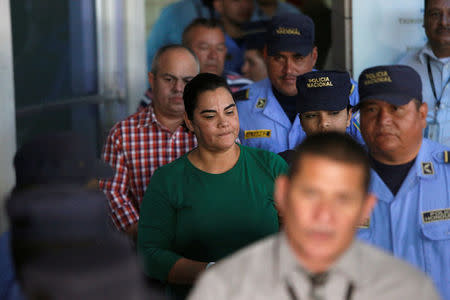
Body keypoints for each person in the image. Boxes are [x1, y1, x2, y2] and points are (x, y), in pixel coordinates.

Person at [187, 132, 441, 300]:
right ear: (283, 195)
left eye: (343, 199)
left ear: (365, 207)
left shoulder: (408, 289)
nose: (324, 215)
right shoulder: (225, 288)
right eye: (310, 194)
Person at [137, 73, 288, 299]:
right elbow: (149, 255)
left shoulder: (271, 166)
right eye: (210, 116)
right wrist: (210, 271)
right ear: (189, 121)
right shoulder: (168, 180)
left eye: (230, 111)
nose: (224, 122)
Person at [6, 132, 164, 300]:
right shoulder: (109, 250)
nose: (98, 185)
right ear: (67, 190)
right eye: (92, 178)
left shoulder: (12, 245)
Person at [355, 65, 449, 300]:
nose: (383, 120)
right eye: (372, 109)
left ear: (422, 114)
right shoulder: (340, 181)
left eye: (396, 109)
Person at [100, 45, 199, 239]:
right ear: (152, 80)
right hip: (143, 249)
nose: (178, 88)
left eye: (187, 81)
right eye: (169, 79)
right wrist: (147, 236)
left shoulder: (216, 128)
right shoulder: (122, 135)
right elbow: (111, 196)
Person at [234, 13, 361, 153]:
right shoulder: (241, 104)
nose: (288, 69)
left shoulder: (349, 94)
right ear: (265, 55)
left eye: (298, 58)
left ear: (314, 56)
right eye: (279, 58)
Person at [140, 18, 253, 109]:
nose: (213, 56)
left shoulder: (244, 88)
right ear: (186, 50)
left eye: (219, 48)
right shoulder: (164, 91)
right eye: (204, 48)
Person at [278, 70, 357, 164]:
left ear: (348, 116)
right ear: (302, 122)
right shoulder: (282, 165)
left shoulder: (367, 165)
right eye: (311, 116)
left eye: (334, 113)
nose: (323, 123)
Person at [399, 0, 449, 145]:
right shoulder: (405, 67)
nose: (444, 22)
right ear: (424, 21)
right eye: (435, 14)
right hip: (419, 163)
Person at [212, 0, 254, 73]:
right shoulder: (209, 40)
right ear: (219, 5)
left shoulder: (260, 39)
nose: (244, 5)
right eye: (236, 1)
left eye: (248, 0)